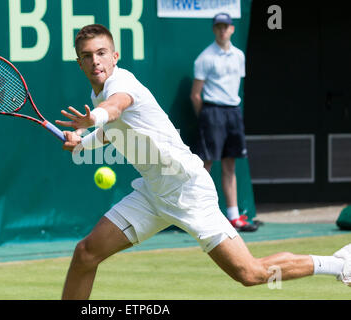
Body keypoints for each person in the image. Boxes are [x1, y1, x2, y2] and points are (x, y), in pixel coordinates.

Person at [55, 24, 350, 300]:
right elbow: (113, 133)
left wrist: (93, 119)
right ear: (79, 62)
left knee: (250, 273)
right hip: (153, 194)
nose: (96, 61)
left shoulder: (121, 83)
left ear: (115, 55)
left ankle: (339, 265)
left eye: (102, 53)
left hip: (187, 190)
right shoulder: (97, 93)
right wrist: (84, 142)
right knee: (86, 254)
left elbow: (115, 110)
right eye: (87, 56)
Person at [190, 13, 256, 231]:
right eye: (218, 27)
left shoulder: (239, 56)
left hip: (233, 112)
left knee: (230, 165)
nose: (222, 30)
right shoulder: (204, 58)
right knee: (205, 166)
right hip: (212, 113)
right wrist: (207, 118)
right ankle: (195, 215)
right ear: (213, 29)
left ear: (232, 29)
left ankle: (234, 216)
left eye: (225, 26)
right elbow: (195, 95)